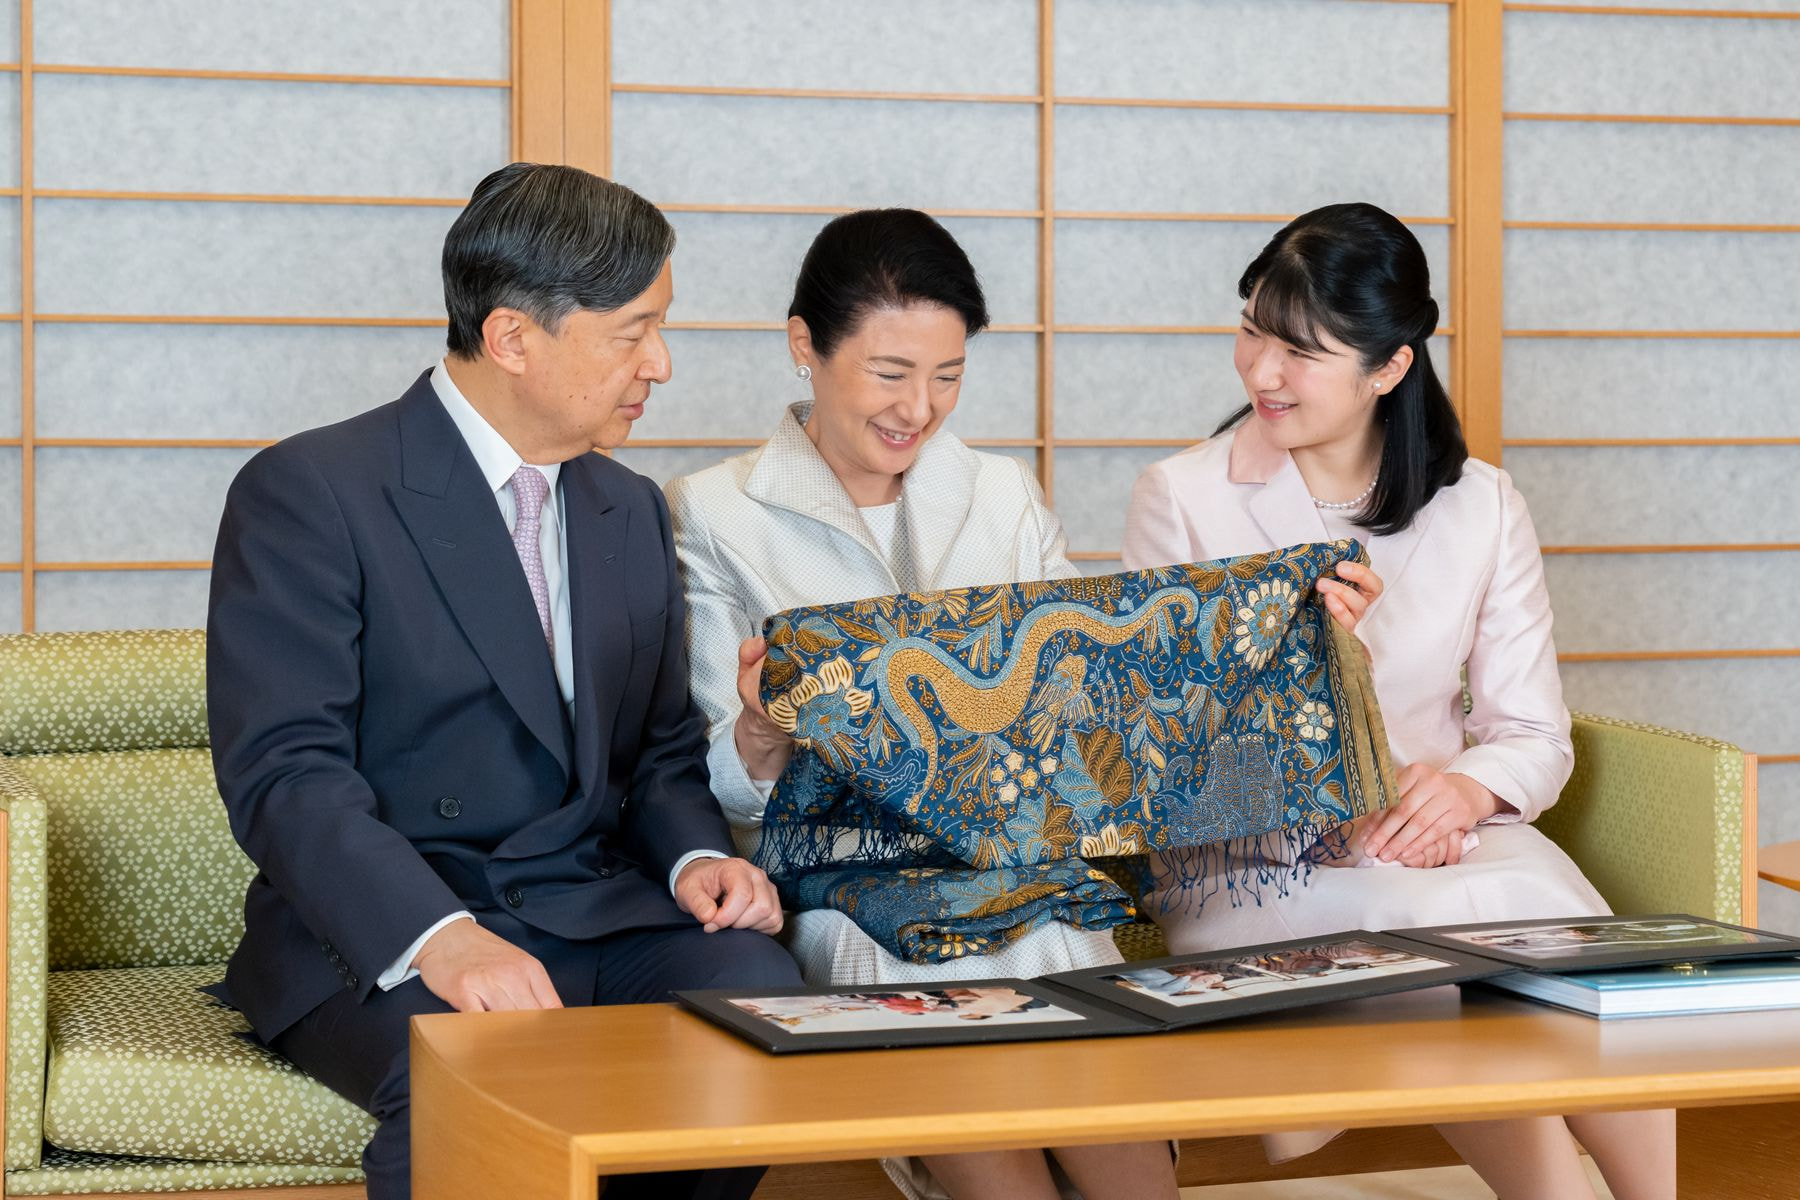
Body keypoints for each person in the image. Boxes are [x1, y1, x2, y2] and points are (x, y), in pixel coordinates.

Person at [206, 163, 801, 1200]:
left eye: (661, 328)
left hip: (590, 910)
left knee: (758, 1006)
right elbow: (285, 776)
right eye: (633, 332)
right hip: (386, 930)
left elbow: (658, 749)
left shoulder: (626, 507)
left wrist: (698, 858)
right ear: (513, 337)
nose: (660, 364)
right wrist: (442, 940)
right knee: (483, 1073)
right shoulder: (311, 491)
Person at [1120, 201, 1673, 1200]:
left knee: (1585, 954)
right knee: (1444, 957)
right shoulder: (1184, 498)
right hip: (1258, 860)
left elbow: (1532, 732)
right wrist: (1316, 682)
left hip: (1452, 840)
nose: (1261, 372)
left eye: (1300, 352)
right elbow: (1160, 754)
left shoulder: (1482, 505)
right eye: (1251, 331)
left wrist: (1462, 794)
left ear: (1389, 367)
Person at [666, 207, 1178, 1200]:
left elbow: (1087, 696)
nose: (920, 408)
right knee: (929, 982)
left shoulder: (1001, 492)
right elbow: (709, 775)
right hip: (838, 876)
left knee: (1058, 943)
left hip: (1011, 858)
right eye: (891, 373)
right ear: (805, 345)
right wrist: (762, 727)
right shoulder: (714, 512)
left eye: (948, 376)